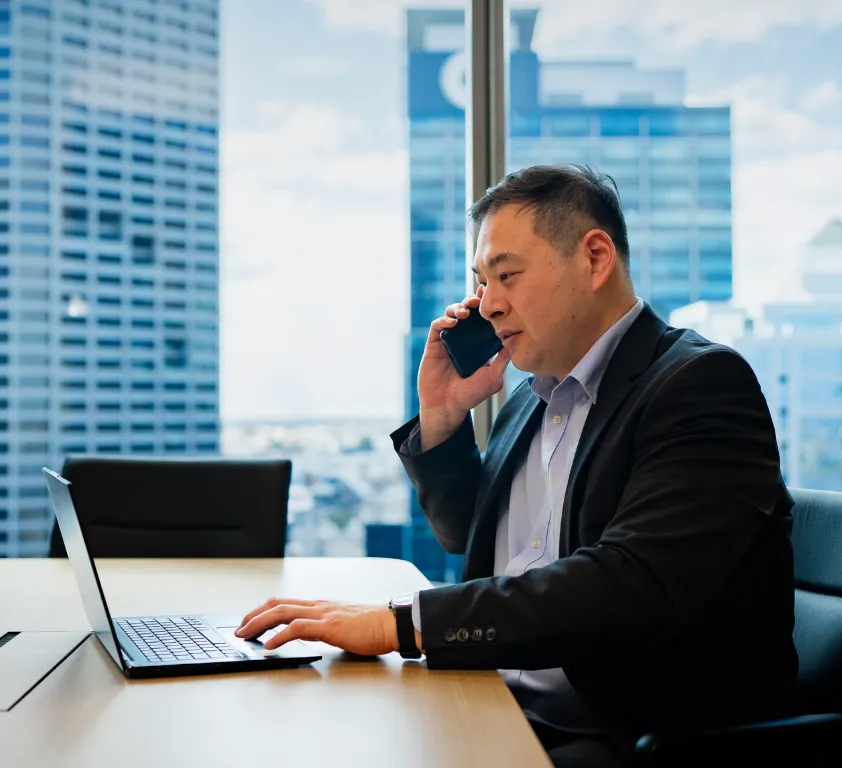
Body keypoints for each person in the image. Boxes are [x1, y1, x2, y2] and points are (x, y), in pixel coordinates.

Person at [236, 165, 799, 766]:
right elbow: (466, 536)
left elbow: (629, 584)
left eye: (507, 275)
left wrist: (402, 624)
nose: (489, 304)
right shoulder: (533, 395)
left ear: (595, 258)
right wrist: (442, 416)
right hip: (498, 701)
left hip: (629, 738)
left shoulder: (699, 383)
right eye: (482, 281)